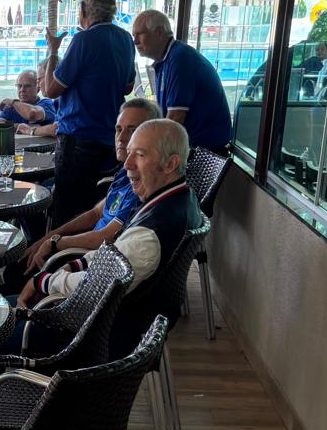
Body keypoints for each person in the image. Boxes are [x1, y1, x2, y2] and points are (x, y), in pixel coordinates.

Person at [17, 119, 202, 318]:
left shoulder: (149, 234)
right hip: (105, 313)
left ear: (171, 164)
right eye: (129, 152)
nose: (127, 163)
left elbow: (93, 287)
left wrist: (41, 281)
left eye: (140, 155)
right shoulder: (181, 197)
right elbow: (116, 252)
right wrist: (75, 265)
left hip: (92, 327)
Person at [21, 98, 160, 273]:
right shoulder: (125, 172)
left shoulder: (140, 187)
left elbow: (107, 237)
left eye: (132, 130)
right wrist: (51, 235)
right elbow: (95, 213)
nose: (122, 138)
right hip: (82, 249)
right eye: (119, 129)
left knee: (17, 270)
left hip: (90, 264)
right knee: (21, 259)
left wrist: (55, 242)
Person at [40, 0, 137, 225]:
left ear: (84, 8)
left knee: (67, 213)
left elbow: (50, 90)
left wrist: (53, 51)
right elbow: (128, 86)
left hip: (78, 141)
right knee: (95, 211)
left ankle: (57, 249)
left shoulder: (83, 40)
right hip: (109, 141)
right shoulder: (125, 40)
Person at [132, 9, 232, 152]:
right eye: (133, 36)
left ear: (159, 32)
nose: (135, 41)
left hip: (205, 152)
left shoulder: (180, 58)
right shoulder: (167, 59)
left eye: (140, 34)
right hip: (194, 146)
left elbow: (175, 118)